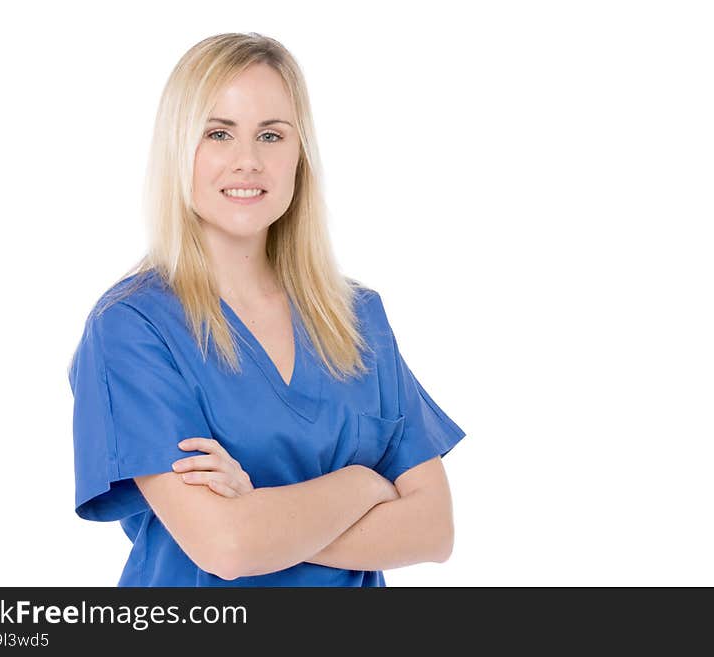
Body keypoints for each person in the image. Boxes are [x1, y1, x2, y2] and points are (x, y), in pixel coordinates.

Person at [67, 32, 467, 587]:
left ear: (299, 154)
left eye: (272, 135)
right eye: (218, 133)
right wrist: (365, 486)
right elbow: (227, 548)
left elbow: (433, 530)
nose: (248, 161)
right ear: (179, 149)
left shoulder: (356, 319)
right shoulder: (133, 329)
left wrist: (260, 513)